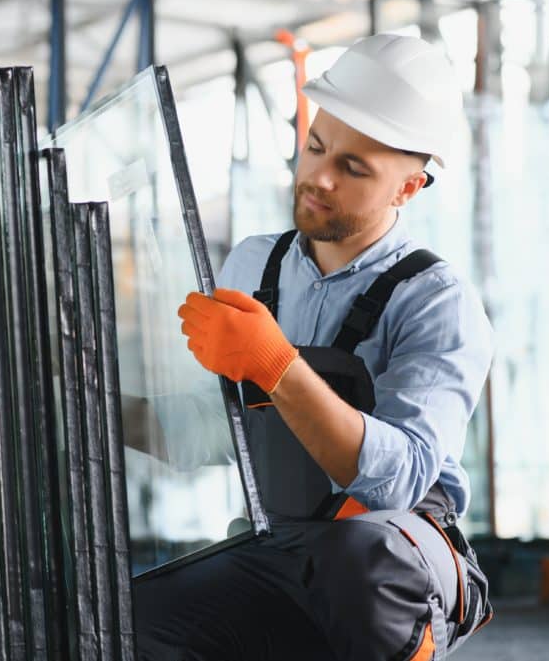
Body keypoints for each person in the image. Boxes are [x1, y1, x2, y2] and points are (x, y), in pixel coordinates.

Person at [132, 34, 495, 660]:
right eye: (316, 147)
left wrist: (274, 366)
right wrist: (83, 408)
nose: (318, 177)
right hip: (283, 542)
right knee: (138, 616)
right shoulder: (254, 262)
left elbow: (400, 480)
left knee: (358, 558)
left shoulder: (437, 300)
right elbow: (214, 430)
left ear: (407, 188)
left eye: (354, 168)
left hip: (401, 553)